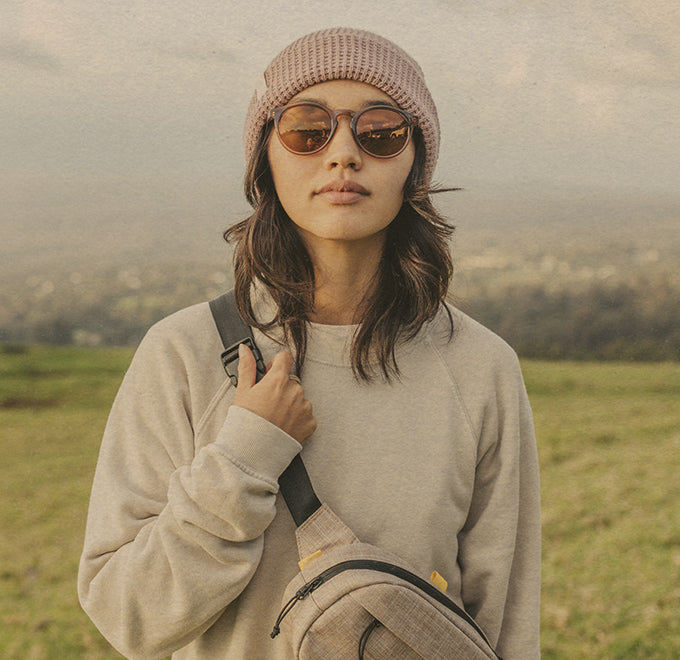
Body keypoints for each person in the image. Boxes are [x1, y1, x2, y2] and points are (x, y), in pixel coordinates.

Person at [78, 27, 541, 659]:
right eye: (306, 128)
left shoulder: (481, 368)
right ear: (266, 157)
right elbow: (128, 616)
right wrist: (242, 460)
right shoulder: (182, 355)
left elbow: (505, 628)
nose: (343, 153)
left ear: (415, 165)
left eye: (380, 132)